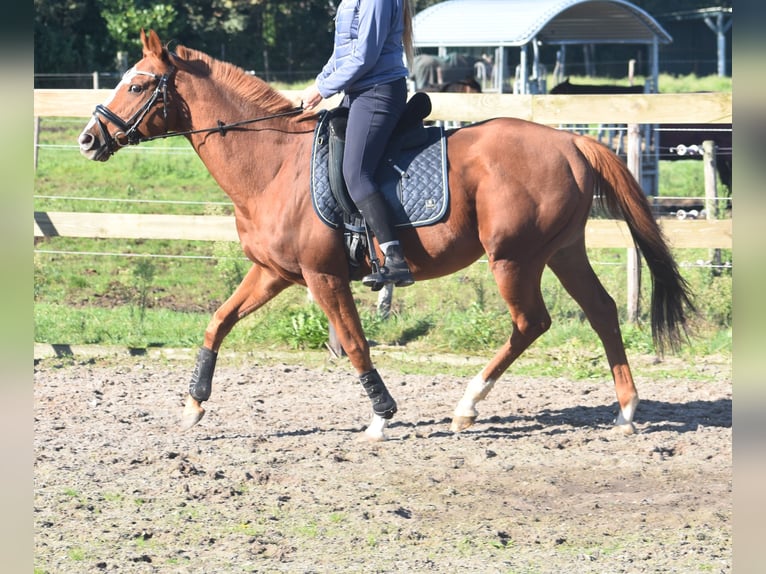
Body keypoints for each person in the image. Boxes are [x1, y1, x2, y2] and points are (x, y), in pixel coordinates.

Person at [301, 0, 415, 290]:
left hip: (378, 91)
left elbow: (364, 56)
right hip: (359, 91)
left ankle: (395, 257)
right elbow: (342, 53)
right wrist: (319, 82)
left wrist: (323, 90)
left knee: (356, 172)